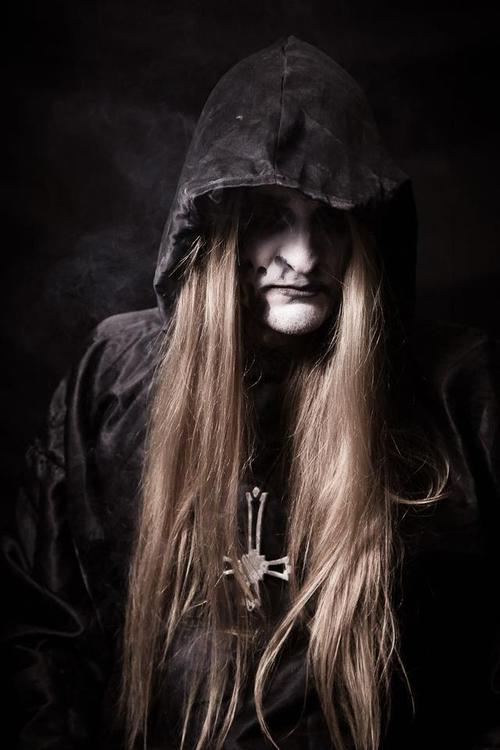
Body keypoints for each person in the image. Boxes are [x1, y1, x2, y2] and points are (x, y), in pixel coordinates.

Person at [3, 36, 500, 750]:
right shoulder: (115, 378)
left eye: (329, 220)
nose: (303, 257)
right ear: (215, 230)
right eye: (270, 218)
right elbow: (43, 636)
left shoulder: (461, 390)